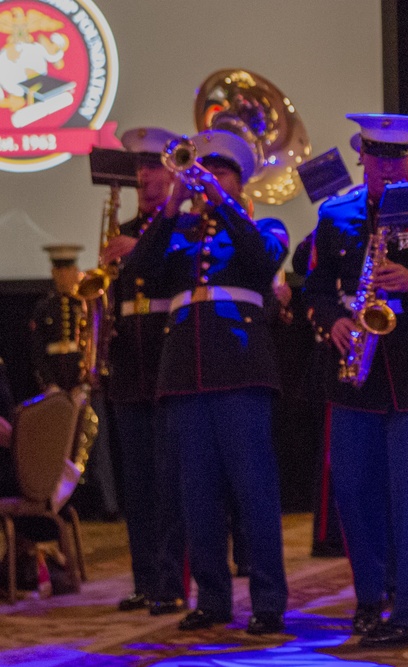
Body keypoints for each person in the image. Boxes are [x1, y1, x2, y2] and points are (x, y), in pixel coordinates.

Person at [304, 113, 408, 647]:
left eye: (395, 158)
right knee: (354, 497)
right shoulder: (337, 213)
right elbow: (312, 287)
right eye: (377, 157)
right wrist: (332, 318)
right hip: (354, 376)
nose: (386, 167)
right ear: (362, 158)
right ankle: (369, 600)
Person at [128, 128, 289, 635]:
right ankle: (213, 598)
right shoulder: (176, 231)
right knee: (196, 497)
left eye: (222, 171)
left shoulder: (266, 226)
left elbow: (264, 264)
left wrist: (224, 204)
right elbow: (139, 270)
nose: (209, 178)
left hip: (240, 371)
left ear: (240, 182)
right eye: (205, 170)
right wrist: (172, 204)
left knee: (254, 492)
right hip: (183, 375)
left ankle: (267, 601)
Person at [98, 127, 188, 615]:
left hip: (167, 353)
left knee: (170, 478)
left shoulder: (182, 227)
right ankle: (145, 579)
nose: (145, 175)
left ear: (171, 171)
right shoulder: (124, 228)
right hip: (129, 365)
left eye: (153, 166)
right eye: (140, 167)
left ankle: (172, 580)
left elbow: (174, 274)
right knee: (138, 482)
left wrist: (139, 251)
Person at [29, 245, 87, 392]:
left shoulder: (85, 304)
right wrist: (49, 382)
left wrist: (85, 379)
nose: (64, 275)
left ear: (75, 271)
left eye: (67, 270)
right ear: (53, 273)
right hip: (55, 375)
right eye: (59, 271)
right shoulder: (44, 307)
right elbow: (38, 349)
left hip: (82, 376)